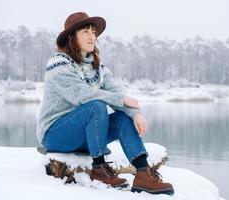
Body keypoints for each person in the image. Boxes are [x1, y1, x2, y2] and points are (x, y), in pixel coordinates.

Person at [36, 11, 174, 195]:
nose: (92, 36)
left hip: (83, 136)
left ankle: (143, 173)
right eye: (85, 32)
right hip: (55, 134)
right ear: (71, 37)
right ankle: (99, 168)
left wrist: (135, 114)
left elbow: (116, 92)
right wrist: (122, 99)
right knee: (96, 105)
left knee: (123, 118)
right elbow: (82, 95)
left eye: (94, 32)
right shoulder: (58, 64)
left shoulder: (98, 68)